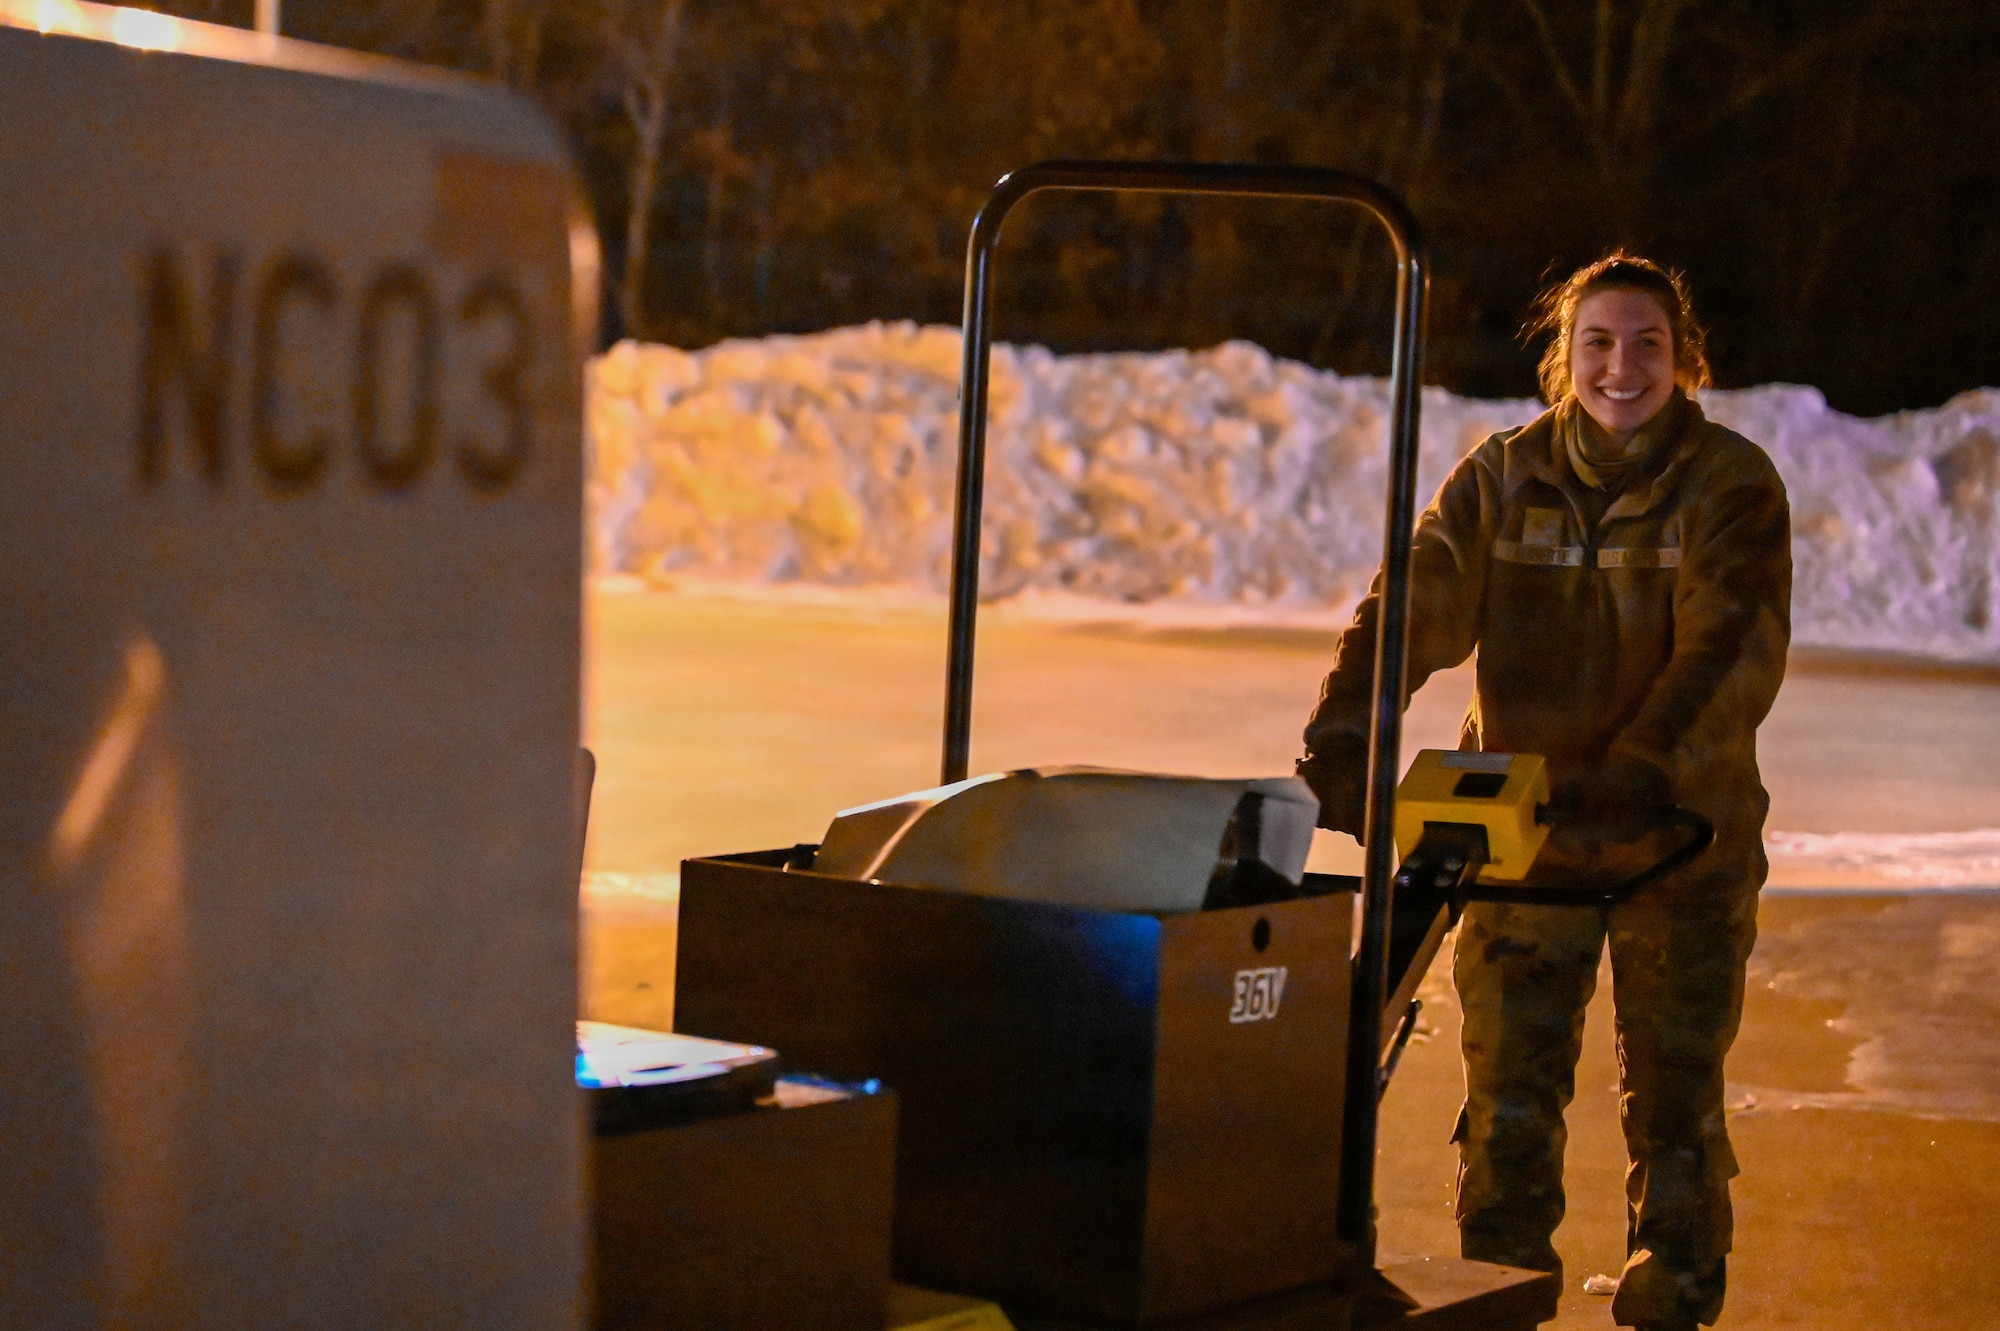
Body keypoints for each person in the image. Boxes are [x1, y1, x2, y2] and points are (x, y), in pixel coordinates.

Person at [1297, 253, 1791, 1331]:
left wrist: (1643, 762)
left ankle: (1670, 1295)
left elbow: (1728, 646)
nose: (1621, 366)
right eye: (1597, 343)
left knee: (1671, 1098)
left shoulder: (1729, 483)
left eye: (1647, 343)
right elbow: (1417, 590)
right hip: (1513, 816)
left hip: (1678, 833)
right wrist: (1346, 719)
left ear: (1683, 358)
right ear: (1562, 358)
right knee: (1507, 1099)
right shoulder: (1503, 472)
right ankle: (1495, 1293)